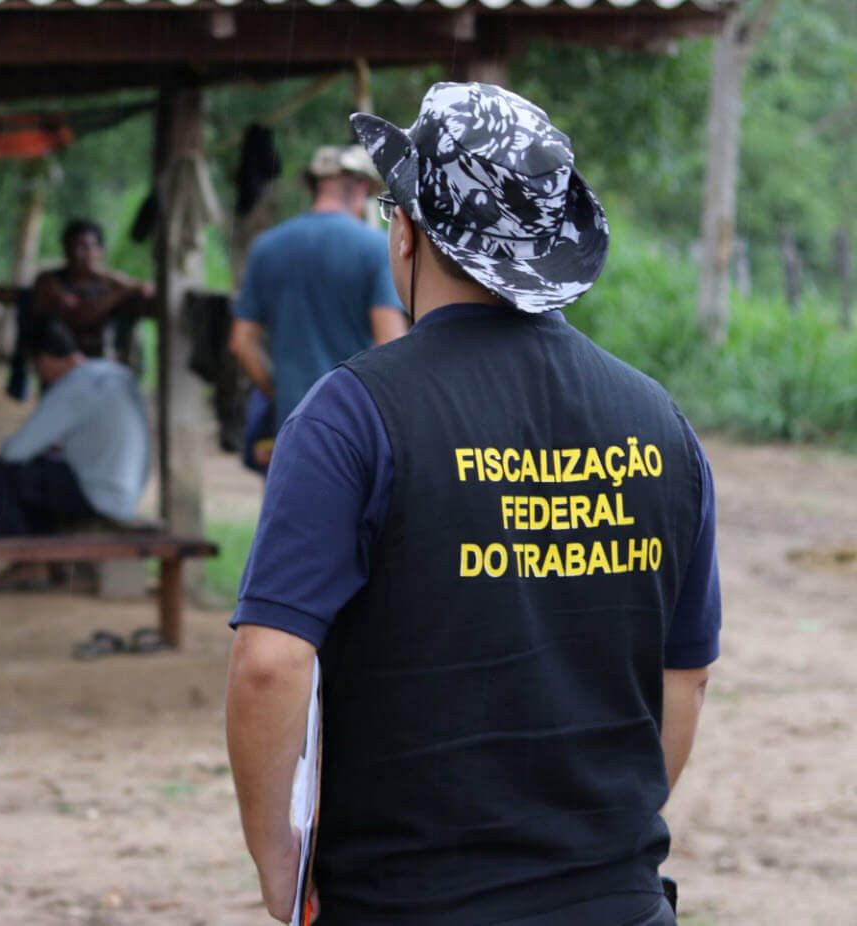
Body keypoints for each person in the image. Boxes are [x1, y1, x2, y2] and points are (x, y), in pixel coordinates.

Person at [226, 83, 720, 925]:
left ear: (408, 231)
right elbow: (687, 674)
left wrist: (280, 859)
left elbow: (271, 662)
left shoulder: (353, 413)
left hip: (408, 900)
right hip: (617, 899)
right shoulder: (660, 423)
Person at [228, 145, 408, 429]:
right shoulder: (375, 249)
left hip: (291, 423)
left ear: (313, 186)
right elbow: (391, 345)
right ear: (361, 187)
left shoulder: (267, 247)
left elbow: (241, 343)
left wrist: (278, 393)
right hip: (352, 425)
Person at [0, 320, 148, 582]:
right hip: (127, 492)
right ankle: (49, 562)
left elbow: (14, 452)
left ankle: (28, 560)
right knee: (41, 475)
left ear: (44, 360)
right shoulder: (115, 374)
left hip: (98, 494)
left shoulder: (75, 385)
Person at [31, 218, 154, 361]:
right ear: (64, 249)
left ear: (99, 252)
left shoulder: (105, 282)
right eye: (73, 246)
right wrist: (120, 294)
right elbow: (79, 315)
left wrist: (105, 275)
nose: (78, 253)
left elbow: (145, 288)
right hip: (60, 363)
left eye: (85, 247)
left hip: (100, 361)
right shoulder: (49, 280)